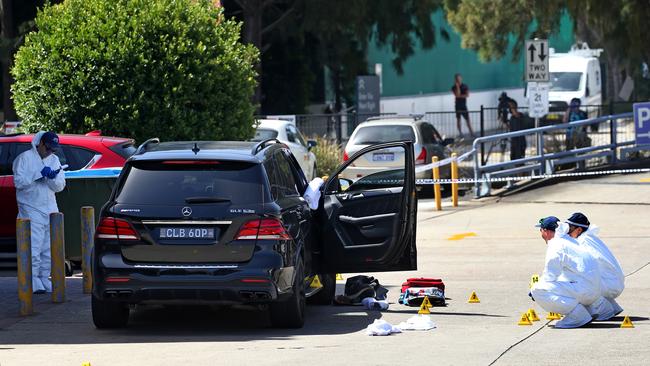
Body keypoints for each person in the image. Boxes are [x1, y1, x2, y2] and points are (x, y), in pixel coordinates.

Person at [13, 131, 66, 294]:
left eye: (54, 149)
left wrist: (52, 177)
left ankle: (44, 277)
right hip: (30, 208)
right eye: (48, 148)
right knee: (33, 246)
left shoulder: (54, 160)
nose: (50, 152)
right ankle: (32, 278)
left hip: (50, 209)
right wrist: (38, 175)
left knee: (48, 247)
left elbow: (60, 186)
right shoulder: (24, 158)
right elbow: (19, 182)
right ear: (41, 144)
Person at [530, 216, 601, 328]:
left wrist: (535, 288)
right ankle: (589, 310)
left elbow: (550, 274)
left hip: (585, 290)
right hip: (595, 292)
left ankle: (579, 316)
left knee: (538, 290)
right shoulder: (571, 241)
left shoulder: (556, 244)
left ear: (546, 231)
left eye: (541, 230)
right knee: (563, 278)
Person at [565, 212, 624, 320]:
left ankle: (601, 310)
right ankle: (612, 306)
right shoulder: (590, 238)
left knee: (571, 281)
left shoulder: (583, 242)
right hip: (613, 283)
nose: (567, 233)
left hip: (609, 284)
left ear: (579, 230)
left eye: (569, 229)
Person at [451, 73, 474, 138]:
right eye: (457, 79)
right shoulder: (453, 87)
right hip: (457, 105)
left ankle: (472, 133)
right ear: (455, 79)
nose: (458, 80)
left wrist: (460, 96)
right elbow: (457, 94)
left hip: (463, 105)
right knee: (458, 119)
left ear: (461, 78)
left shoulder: (465, 86)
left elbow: (467, 95)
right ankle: (460, 133)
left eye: (459, 78)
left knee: (468, 119)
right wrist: (457, 87)